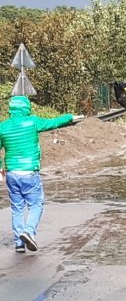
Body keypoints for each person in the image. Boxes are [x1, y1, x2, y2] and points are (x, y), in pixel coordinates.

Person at [0, 95, 83, 253]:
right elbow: (53, 123)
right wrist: (69, 116)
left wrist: (0, 168)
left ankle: (19, 243)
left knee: (17, 208)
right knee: (36, 204)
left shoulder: (2, 127)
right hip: (29, 172)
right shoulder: (33, 122)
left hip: (12, 173)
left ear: (10, 109)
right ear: (26, 108)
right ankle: (29, 231)